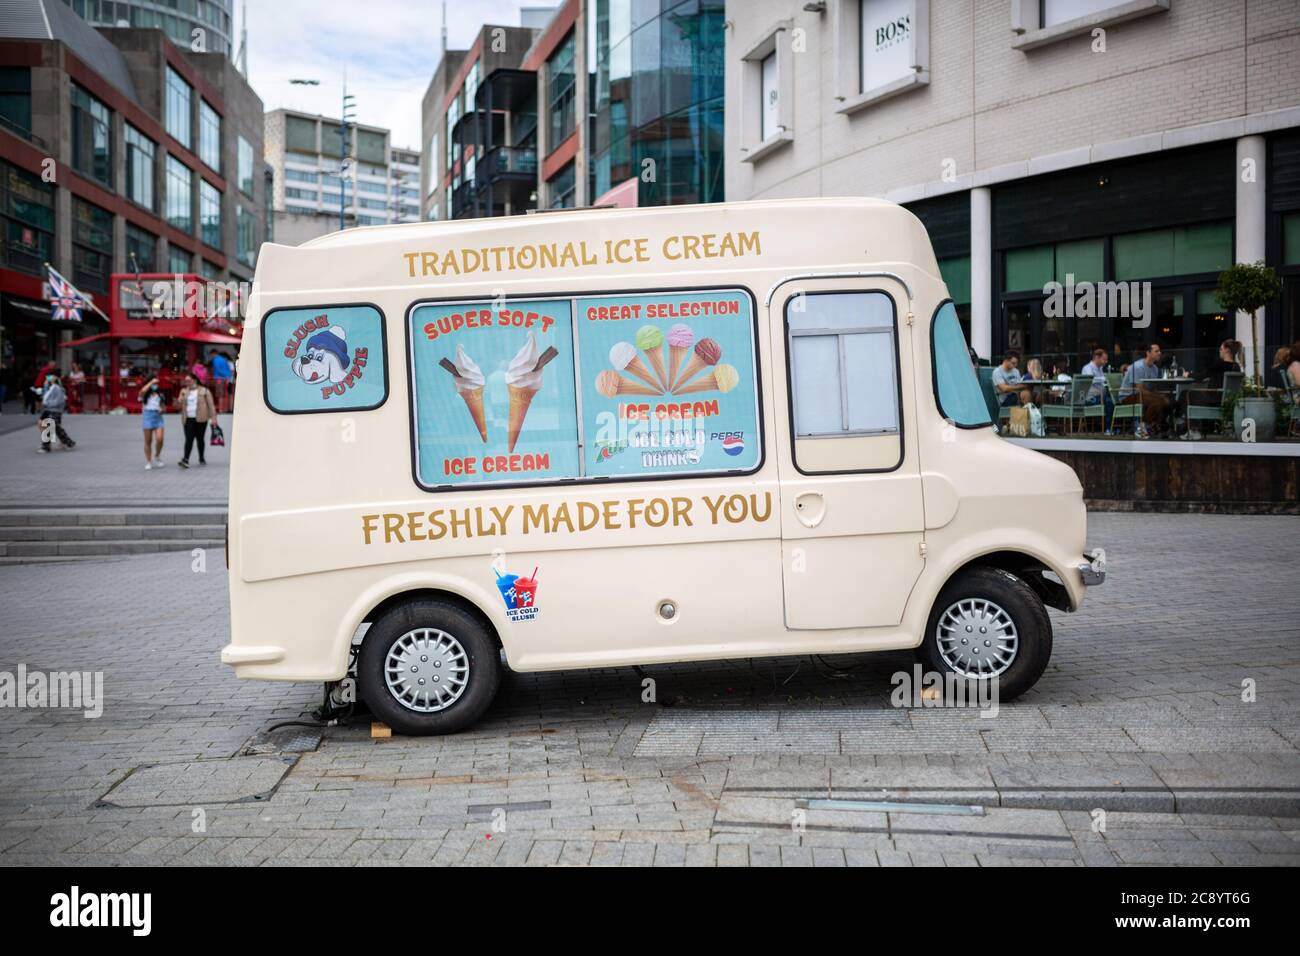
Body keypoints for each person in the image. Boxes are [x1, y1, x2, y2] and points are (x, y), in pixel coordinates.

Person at [1118, 343, 1170, 438]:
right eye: (1156, 351)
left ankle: (1155, 426)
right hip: (1128, 395)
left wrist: (1161, 396)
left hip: (1143, 395)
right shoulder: (1138, 367)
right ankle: (1142, 427)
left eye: (1159, 351)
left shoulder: (1155, 368)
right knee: (1158, 401)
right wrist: (1158, 397)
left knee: (1166, 401)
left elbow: (1153, 388)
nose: (1160, 353)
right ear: (1148, 353)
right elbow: (1139, 389)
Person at [176, 371, 217, 468]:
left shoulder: (204, 391)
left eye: (189, 381)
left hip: (201, 418)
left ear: (194, 380)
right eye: (186, 381)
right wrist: (181, 397)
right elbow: (178, 404)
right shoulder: (184, 391)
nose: (187, 383)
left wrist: (213, 418)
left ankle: (201, 457)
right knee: (189, 439)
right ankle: (185, 459)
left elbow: (211, 406)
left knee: (200, 439)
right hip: (188, 418)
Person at [36, 371, 75, 452]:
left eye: (51, 376)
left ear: (55, 377)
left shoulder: (57, 388)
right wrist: (45, 386)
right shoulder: (50, 386)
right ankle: (67, 442)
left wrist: (47, 403)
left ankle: (46, 446)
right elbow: (45, 396)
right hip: (48, 409)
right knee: (51, 426)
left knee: (49, 426)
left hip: (53, 410)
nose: (48, 378)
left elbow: (58, 401)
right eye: (48, 376)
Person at [1081, 348, 1115, 433]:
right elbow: (1092, 380)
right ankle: (1107, 428)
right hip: (1089, 398)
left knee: (1113, 399)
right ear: (1096, 357)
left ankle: (1109, 427)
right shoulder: (1087, 368)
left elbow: (1103, 383)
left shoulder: (1100, 369)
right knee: (1109, 401)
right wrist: (1105, 378)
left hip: (1100, 397)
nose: (1106, 362)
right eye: (1104, 359)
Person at [139, 377, 166, 470]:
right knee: (148, 441)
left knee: (160, 439)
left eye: (156, 383)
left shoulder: (160, 394)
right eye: (154, 383)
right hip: (147, 416)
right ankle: (148, 461)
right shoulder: (145, 394)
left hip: (158, 417)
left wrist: (162, 410)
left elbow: (163, 407)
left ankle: (157, 456)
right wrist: (151, 382)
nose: (155, 385)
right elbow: (142, 391)